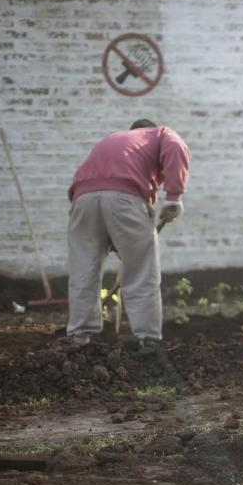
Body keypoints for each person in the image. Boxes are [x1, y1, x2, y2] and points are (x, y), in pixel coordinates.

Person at [66, 119, 190, 353]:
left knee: (83, 268)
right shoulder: (161, 134)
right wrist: (174, 198)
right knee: (142, 268)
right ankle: (148, 338)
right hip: (124, 196)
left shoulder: (114, 140)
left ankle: (79, 336)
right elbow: (176, 146)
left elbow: (94, 186)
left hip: (83, 199)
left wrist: (108, 233)